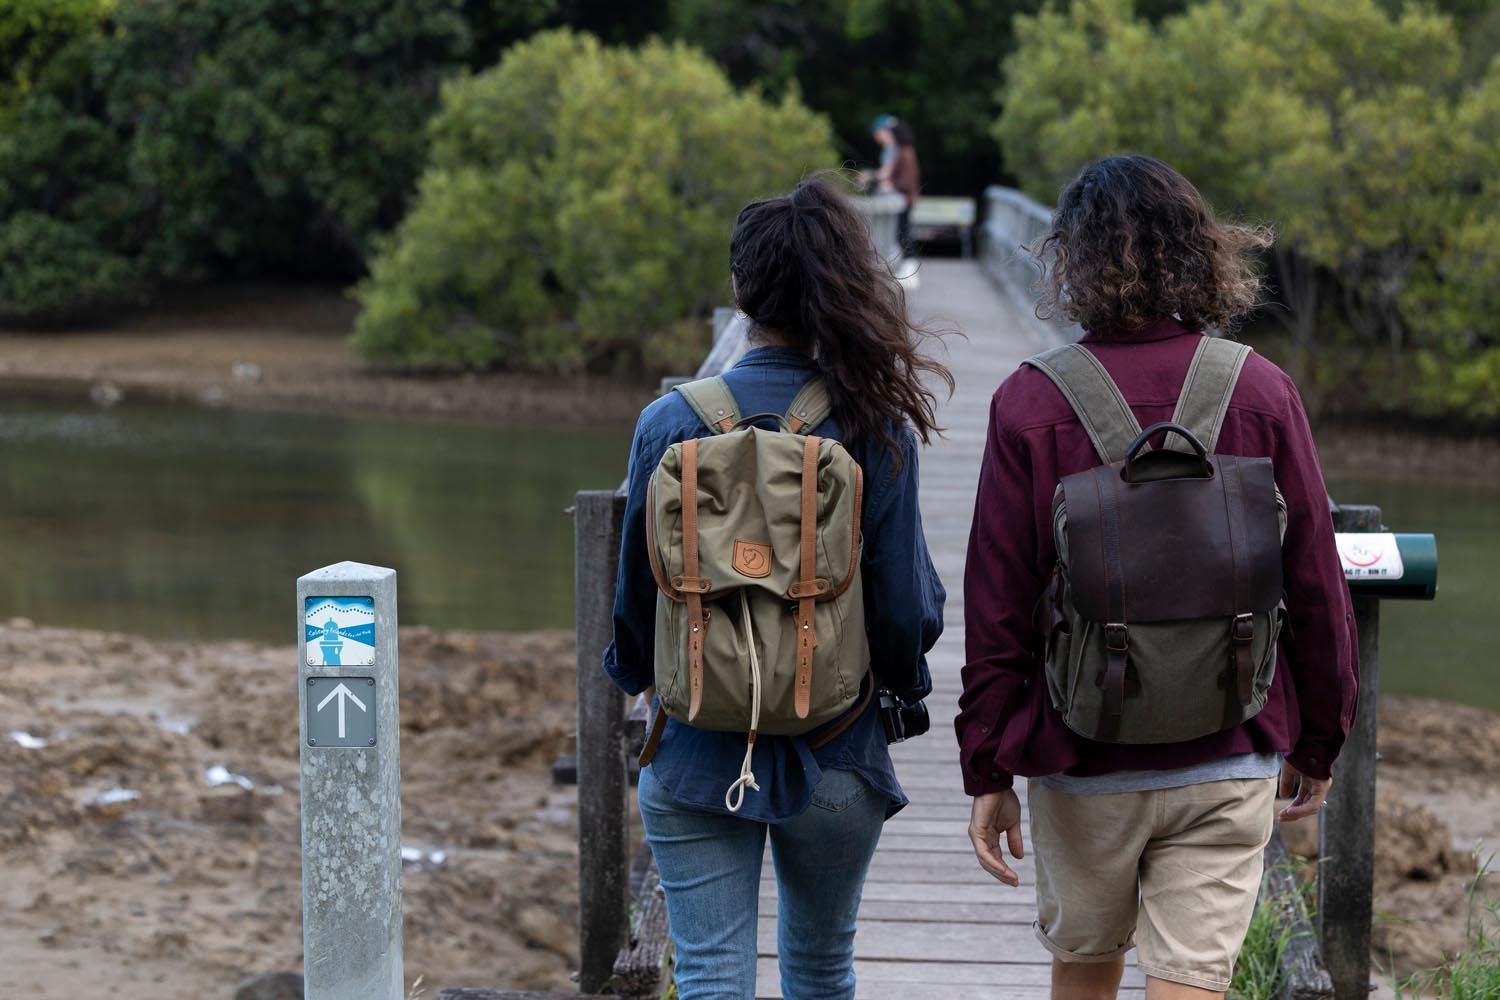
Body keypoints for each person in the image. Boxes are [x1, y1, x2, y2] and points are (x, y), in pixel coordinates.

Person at [956, 154, 1359, 1000]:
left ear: (1072, 262)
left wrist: (989, 766)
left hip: (1082, 753)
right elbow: (1317, 581)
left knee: (1085, 970)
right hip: (1229, 744)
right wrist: (1320, 736)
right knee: (1191, 983)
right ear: (1202, 251)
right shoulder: (1261, 389)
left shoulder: (1031, 402)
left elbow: (997, 606)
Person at [603, 176, 950, 1000]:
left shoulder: (671, 422)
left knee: (713, 978)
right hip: (834, 750)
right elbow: (907, 610)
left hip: (695, 751)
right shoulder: (874, 424)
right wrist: (901, 691)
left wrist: (645, 682)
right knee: (822, 969)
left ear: (739, 292)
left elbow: (632, 601)